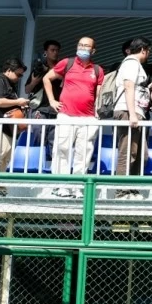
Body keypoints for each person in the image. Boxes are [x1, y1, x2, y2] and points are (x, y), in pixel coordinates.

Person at [43, 37, 104, 199]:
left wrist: (97, 112)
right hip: (66, 115)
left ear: (93, 51)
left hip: (88, 118)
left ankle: (78, 186)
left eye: (86, 46)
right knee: (61, 150)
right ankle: (61, 185)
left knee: (83, 154)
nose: (83, 48)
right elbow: (46, 78)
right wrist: (52, 101)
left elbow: (98, 94)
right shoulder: (67, 63)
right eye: (80, 45)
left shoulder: (97, 70)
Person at [113, 37, 152, 197]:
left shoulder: (135, 65)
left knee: (140, 153)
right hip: (128, 111)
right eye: (148, 50)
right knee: (127, 151)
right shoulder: (131, 63)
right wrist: (131, 114)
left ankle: (132, 187)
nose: (148, 54)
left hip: (137, 112)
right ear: (144, 49)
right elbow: (129, 86)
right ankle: (122, 191)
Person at [0, 58, 30, 197]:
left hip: (8, 127)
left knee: (5, 157)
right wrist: (18, 101)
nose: (20, 77)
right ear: (9, 70)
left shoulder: (9, 83)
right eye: (18, 74)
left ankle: (0, 186)